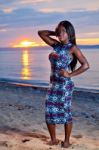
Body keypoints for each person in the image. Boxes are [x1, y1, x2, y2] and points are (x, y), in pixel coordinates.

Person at [38, 20, 90, 148]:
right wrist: (55, 32)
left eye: (62, 31)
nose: (59, 34)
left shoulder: (73, 48)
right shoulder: (57, 45)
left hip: (64, 86)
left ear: (69, 33)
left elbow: (86, 65)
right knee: (49, 110)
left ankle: (66, 142)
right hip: (53, 84)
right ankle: (54, 140)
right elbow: (41, 33)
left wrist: (69, 74)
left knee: (65, 111)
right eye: (58, 31)